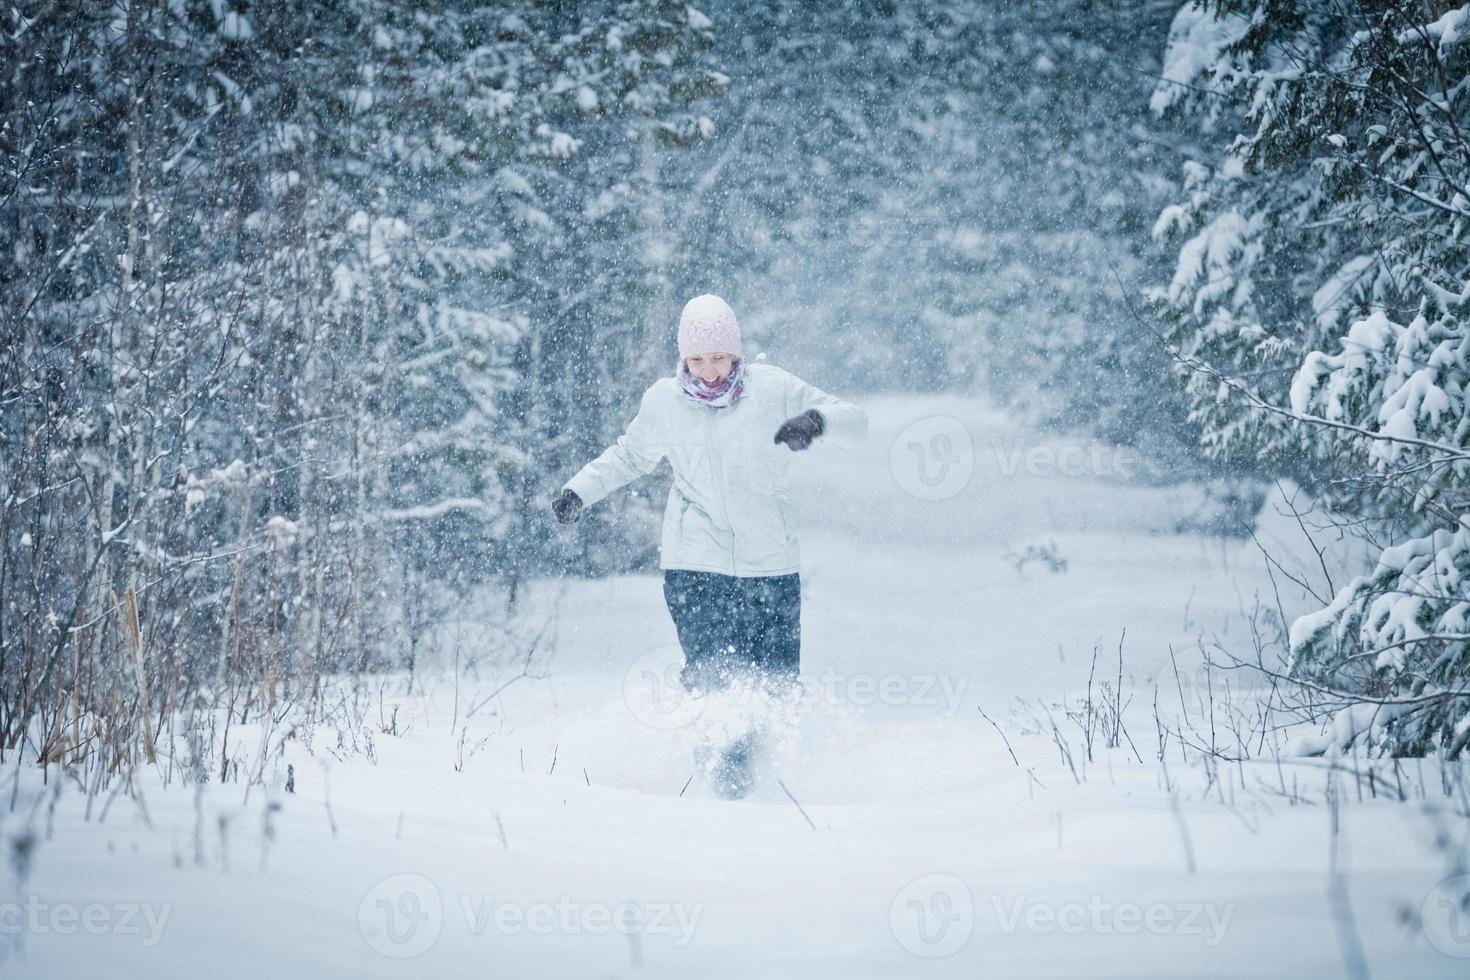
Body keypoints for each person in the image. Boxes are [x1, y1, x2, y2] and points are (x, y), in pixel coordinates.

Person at [551, 294, 868, 793]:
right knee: (712, 675)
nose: (710, 371)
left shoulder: (774, 389)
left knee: (776, 684)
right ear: (683, 359)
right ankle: (723, 782)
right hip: (694, 564)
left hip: (770, 564)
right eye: (697, 360)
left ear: (737, 353)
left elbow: (855, 420)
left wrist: (815, 422)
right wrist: (579, 490)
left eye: (720, 358)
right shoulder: (663, 401)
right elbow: (628, 457)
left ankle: (777, 778)